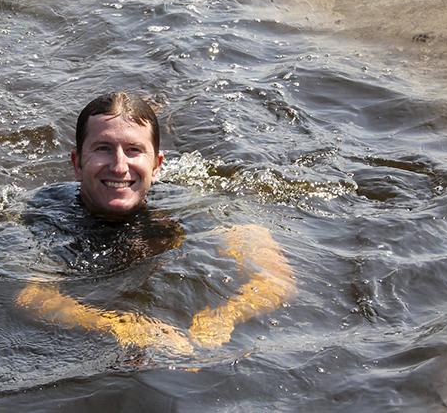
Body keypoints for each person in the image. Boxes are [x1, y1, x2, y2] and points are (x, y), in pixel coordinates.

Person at [15, 92, 294, 355]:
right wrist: (122, 326)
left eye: (134, 150)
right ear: (77, 163)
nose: (119, 166)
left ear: (157, 165)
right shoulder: (49, 211)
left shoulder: (185, 203)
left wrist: (224, 316)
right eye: (103, 149)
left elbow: (274, 278)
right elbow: (34, 296)